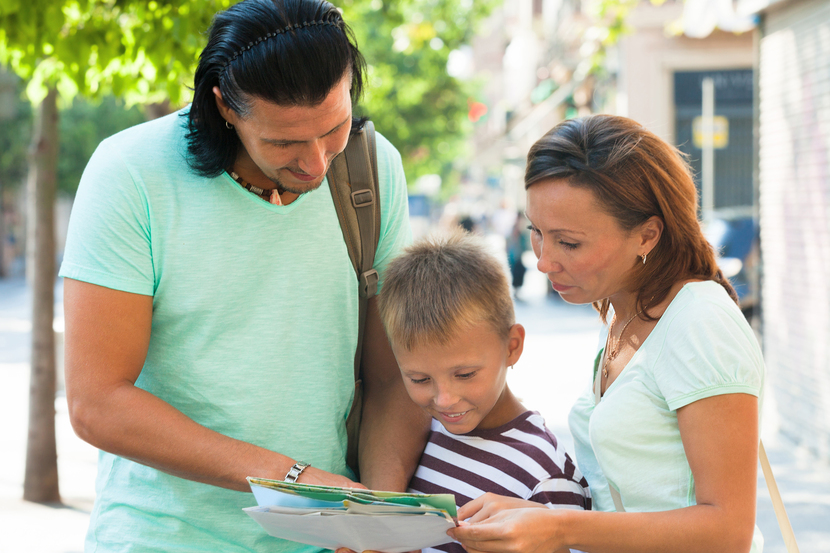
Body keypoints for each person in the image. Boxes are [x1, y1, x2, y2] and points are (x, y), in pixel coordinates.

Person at [59, 1, 430, 551]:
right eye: (283, 142)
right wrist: (293, 481)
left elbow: (392, 377)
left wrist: (369, 518)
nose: (316, 164)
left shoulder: (373, 171)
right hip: (160, 537)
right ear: (224, 108)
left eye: (334, 128)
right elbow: (98, 402)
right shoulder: (130, 173)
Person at [448, 114, 765, 553]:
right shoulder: (622, 306)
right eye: (537, 233)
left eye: (569, 243)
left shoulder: (698, 320)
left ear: (647, 235)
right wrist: (539, 516)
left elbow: (728, 531)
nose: (543, 261)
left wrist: (560, 528)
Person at [376, 232, 591, 553]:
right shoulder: (412, 437)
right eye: (420, 379)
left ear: (512, 346)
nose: (444, 399)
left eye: (464, 374)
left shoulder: (547, 474)